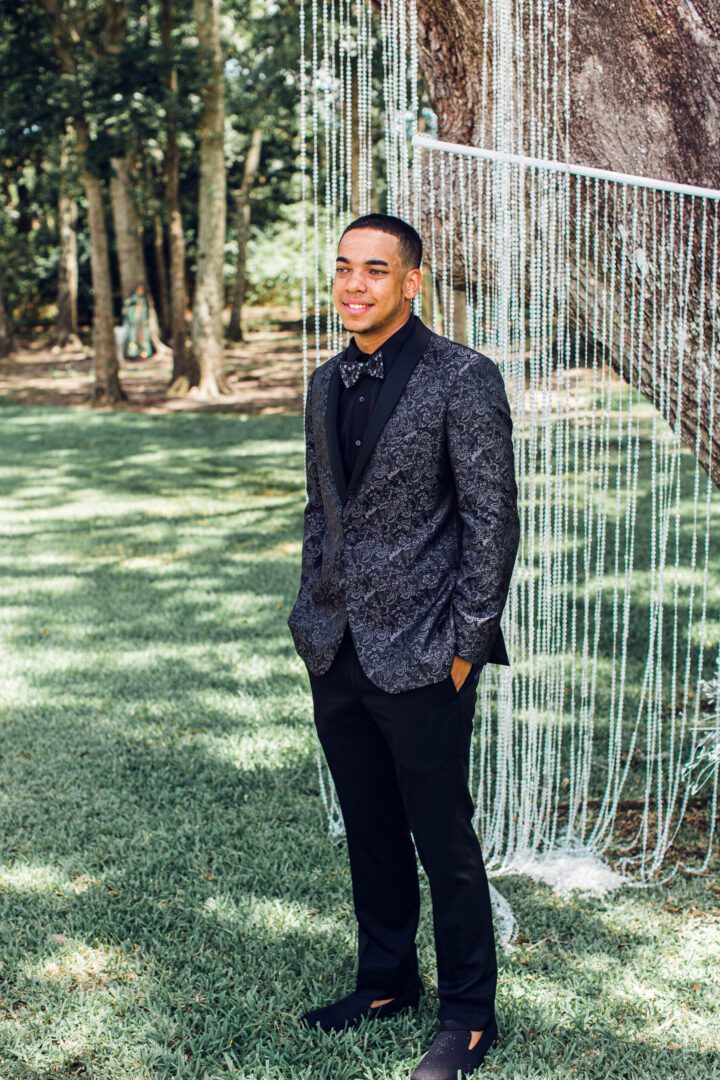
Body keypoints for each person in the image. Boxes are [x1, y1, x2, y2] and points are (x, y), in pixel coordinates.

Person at [287, 213, 520, 1079]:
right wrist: (312, 619)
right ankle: (385, 980)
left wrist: (463, 650)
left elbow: (492, 526)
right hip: (336, 649)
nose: (354, 285)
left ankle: (468, 1016)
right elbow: (324, 514)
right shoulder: (321, 381)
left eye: (375, 270)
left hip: (427, 655)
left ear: (412, 281)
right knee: (370, 829)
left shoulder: (464, 378)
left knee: (442, 839)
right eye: (344, 268)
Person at [121, 282, 155, 361]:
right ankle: (133, 354)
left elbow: (146, 311)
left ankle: (144, 353)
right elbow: (125, 309)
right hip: (133, 322)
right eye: (139, 289)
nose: (141, 291)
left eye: (142, 289)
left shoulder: (144, 300)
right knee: (133, 338)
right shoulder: (131, 299)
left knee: (143, 338)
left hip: (142, 323)